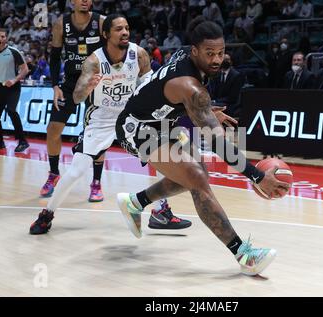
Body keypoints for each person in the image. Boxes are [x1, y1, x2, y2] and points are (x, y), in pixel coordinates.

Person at [115, 17, 290, 275]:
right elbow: (217, 142)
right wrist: (257, 176)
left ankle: (135, 203)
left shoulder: (188, 54)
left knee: (195, 174)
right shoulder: (192, 88)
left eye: (221, 52)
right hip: (136, 127)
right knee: (197, 178)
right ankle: (244, 255)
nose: (217, 59)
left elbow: (172, 96)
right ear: (195, 51)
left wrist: (204, 111)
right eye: (210, 54)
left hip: (163, 122)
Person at [29, 14, 191, 235]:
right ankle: (47, 214)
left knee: (162, 157)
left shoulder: (139, 55)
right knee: (77, 170)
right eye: (118, 29)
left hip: (132, 116)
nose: (124, 32)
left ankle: (161, 211)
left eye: (126, 28)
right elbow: (76, 97)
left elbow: (152, 88)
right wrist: (86, 88)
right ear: (105, 35)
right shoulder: (94, 61)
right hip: (102, 118)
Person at [41, 0, 106, 201]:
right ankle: (54, 174)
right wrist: (55, 86)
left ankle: (96, 182)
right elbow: (54, 57)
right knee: (53, 129)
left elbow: (111, 52)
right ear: (72, 1)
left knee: (97, 134)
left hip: (95, 83)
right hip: (69, 84)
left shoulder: (101, 22)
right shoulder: (61, 24)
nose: (86, 0)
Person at [0, 28, 30, 153]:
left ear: (6, 38)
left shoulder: (14, 52)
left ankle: (23, 141)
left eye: (3, 36)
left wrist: (14, 80)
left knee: (11, 110)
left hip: (13, 87)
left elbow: (25, 69)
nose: (2, 39)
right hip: (0, 87)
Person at [208, 53, 245, 117]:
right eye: (224, 59)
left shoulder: (236, 76)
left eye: (227, 60)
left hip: (230, 104)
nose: (226, 61)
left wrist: (215, 101)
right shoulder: (217, 74)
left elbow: (233, 98)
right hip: (218, 102)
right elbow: (213, 91)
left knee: (209, 108)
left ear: (231, 62)